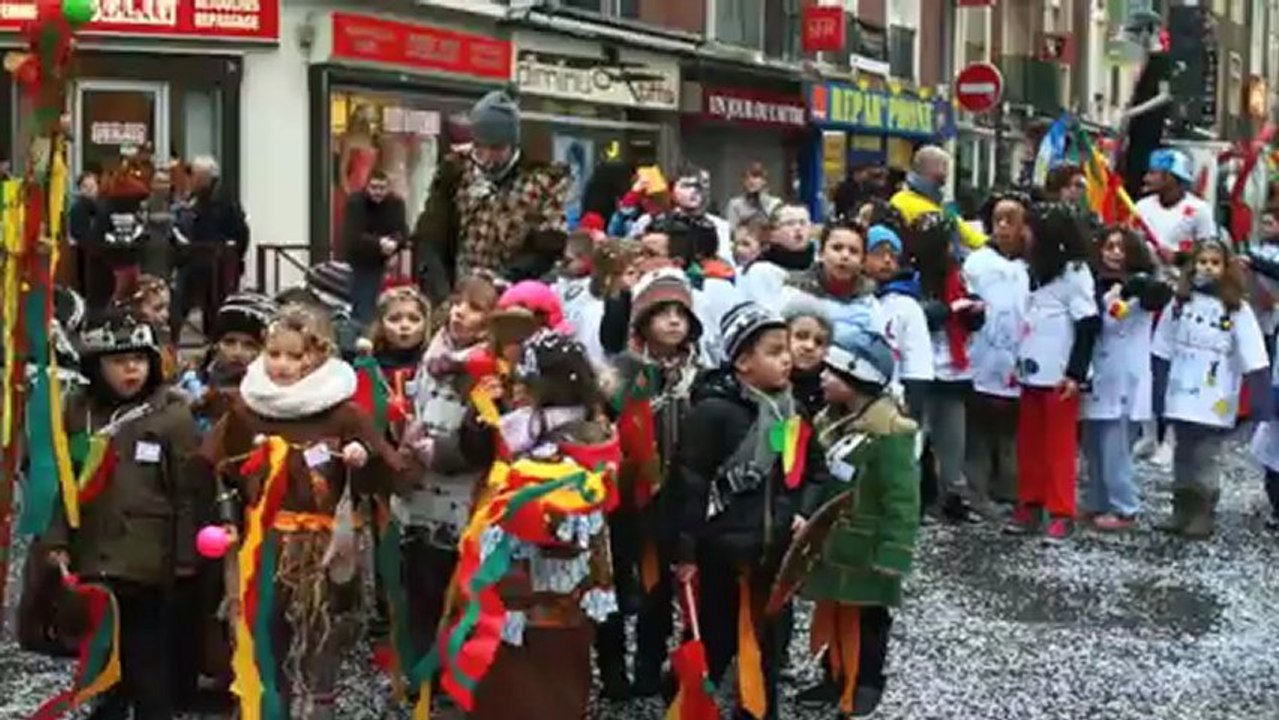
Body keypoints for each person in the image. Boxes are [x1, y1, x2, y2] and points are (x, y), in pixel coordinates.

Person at [198, 304, 412, 719]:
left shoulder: (344, 412)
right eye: (274, 354)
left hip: (328, 545)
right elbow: (213, 468)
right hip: (268, 544)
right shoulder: (247, 409)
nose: (282, 365)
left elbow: (391, 472)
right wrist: (226, 518)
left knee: (323, 636)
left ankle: (320, 709)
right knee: (268, 631)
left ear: (317, 356)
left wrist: (362, 456)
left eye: (295, 356)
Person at [438, 331, 620, 720]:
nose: (515, 388)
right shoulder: (563, 436)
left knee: (530, 690)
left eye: (523, 381)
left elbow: (555, 527)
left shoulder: (562, 453)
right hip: (550, 596)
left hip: (533, 594)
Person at [670, 301, 829, 720]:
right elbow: (690, 483)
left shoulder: (792, 411)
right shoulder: (713, 412)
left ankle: (757, 710)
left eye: (786, 350)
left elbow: (812, 470)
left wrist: (801, 512)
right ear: (742, 361)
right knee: (713, 639)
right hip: (719, 551)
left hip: (773, 549)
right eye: (774, 351)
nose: (787, 359)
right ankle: (691, 705)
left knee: (767, 643)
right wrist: (685, 553)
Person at [42, 310, 204, 719]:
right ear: (96, 366)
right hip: (93, 551)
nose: (131, 368)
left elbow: (190, 492)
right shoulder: (78, 411)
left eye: (140, 358)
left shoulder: (171, 414)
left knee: (146, 656)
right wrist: (58, 541)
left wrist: (187, 557)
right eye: (118, 360)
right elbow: (66, 483)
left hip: (150, 558)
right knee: (103, 653)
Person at [797, 328, 919, 719]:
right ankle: (834, 675)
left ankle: (866, 681)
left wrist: (894, 552)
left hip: (869, 546)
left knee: (869, 616)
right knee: (833, 609)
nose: (822, 376)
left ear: (857, 379)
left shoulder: (890, 433)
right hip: (835, 542)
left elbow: (902, 499)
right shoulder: (828, 422)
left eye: (833, 372)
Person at [596, 267, 702, 699]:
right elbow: (599, 423)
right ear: (642, 321)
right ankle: (613, 670)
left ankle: (651, 665)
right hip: (626, 493)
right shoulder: (622, 370)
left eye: (681, 313)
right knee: (618, 581)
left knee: (664, 584)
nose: (674, 321)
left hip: (678, 493)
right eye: (663, 312)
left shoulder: (701, 372)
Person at [393, 275, 499, 663]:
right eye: (458, 302)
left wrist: (439, 451)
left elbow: (485, 438)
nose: (460, 312)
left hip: (461, 494)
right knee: (417, 582)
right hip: (418, 489)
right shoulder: (431, 352)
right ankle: (420, 667)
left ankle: (454, 668)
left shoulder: (489, 368)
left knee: (455, 584)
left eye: (474, 308)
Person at [1155, 239, 1270, 537]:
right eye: (1202, 261)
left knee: (1206, 454)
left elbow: (1253, 352)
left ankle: (1204, 511)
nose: (1208, 267)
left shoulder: (1236, 309)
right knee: (1182, 452)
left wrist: (1260, 395)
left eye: (1215, 262)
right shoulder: (1180, 302)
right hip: (1181, 393)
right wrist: (1157, 386)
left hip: (1214, 395)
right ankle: (1182, 508)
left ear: (1225, 267)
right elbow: (1163, 345)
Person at [412, 91, 570, 304]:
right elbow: (431, 235)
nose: (486, 157)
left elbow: (549, 246)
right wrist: (441, 293)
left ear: (512, 144)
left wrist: (506, 279)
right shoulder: (456, 169)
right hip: (457, 288)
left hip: (512, 289)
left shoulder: (544, 178)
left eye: (496, 148)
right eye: (479, 147)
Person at [1006, 203, 1100, 542]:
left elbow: (1088, 325)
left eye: (1028, 228)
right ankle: (1030, 503)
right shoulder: (1029, 269)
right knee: (1028, 444)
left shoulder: (1074, 273)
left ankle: (1062, 511)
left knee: (1059, 448)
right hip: (1030, 373)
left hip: (1060, 378)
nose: (1022, 234)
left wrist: (1075, 374)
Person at [1081, 226, 1171, 531]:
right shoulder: (1092, 285)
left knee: (1115, 446)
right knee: (1093, 445)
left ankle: (1125, 506)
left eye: (1121, 247)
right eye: (1109, 246)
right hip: (1097, 375)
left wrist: (1131, 287)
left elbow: (1158, 296)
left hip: (1125, 377)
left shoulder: (1143, 288)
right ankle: (1097, 501)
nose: (1115, 253)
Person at [907, 214, 985, 521]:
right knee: (917, 437)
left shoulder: (958, 275)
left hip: (954, 367)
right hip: (921, 367)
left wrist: (974, 311)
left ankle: (954, 495)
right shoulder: (911, 278)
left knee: (953, 437)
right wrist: (947, 310)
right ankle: (917, 498)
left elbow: (970, 318)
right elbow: (915, 317)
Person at [963, 191, 1032, 511]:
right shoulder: (976, 263)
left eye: (1011, 220)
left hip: (1019, 361)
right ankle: (976, 491)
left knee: (1012, 433)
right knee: (978, 431)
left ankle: (1011, 489)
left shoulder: (1032, 266)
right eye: (998, 220)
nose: (1003, 227)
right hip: (981, 358)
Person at [172, 156, 250, 342]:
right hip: (195, 257)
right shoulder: (195, 197)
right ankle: (174, 341)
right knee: (181, 303)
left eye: (196, 175)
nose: (192, 179)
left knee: (214, 306)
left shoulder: (222, 199)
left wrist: (234, 255)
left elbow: (240, 231)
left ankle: (215, 341)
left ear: (206, 176)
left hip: (216, 261)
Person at [866, 223, 933, 415]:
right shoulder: (857, 301)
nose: (887, 260)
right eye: (878, 253)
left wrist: (912, 411)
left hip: (894, 404)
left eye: (893, 255)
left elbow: (918, 366)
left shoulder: (907, 306)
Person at [782, 220, 885, 341]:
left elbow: (880, 353)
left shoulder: (869, 304)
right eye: (837, 248)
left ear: (862, 262)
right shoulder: (794, 291)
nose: (845, 256)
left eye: (853, 251)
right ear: (820, 253)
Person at [342, 171, 410, 325]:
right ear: (367, 187)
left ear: (388, 188)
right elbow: (352, 235)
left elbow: (402, 231)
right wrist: (380, 243)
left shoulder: (396, 204)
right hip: (359, 260)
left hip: (382, 260)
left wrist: (394, 243)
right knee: (362, 303)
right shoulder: (356, 202)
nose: (377, 192)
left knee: (377, 304)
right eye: (374, 187)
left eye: (382, 188)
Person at [890, 146, 986, 250]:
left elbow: (966, 231)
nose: (946, 174)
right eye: (944, 166)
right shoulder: (900, 203)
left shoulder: (942, 205)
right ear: (931, 169)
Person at [1134, 148, 1217, 260]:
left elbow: (1210, 249)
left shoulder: (1199, 209)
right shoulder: (1141, 207)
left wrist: (1178, 256)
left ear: (1170, 178)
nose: (1146, 179)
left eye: (1152, 173)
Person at [740, 203, 815, 305]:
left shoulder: (820, 264)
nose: (798, 228)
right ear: (773, 233)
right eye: (790, 223)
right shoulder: (761, 271)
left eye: (803, 223)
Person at [784, 296, 833, 418]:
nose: (810, 346)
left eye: (819, 342)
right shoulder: (765, 381)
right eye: (801, 336)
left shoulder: (828, 393)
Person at [724, 163, 782, 230]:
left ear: (764, 181)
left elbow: (778, 227)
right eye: (746, 178)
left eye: (755, 177)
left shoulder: (775, 203)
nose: (751, 181)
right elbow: (732, 231)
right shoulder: (735, 204)